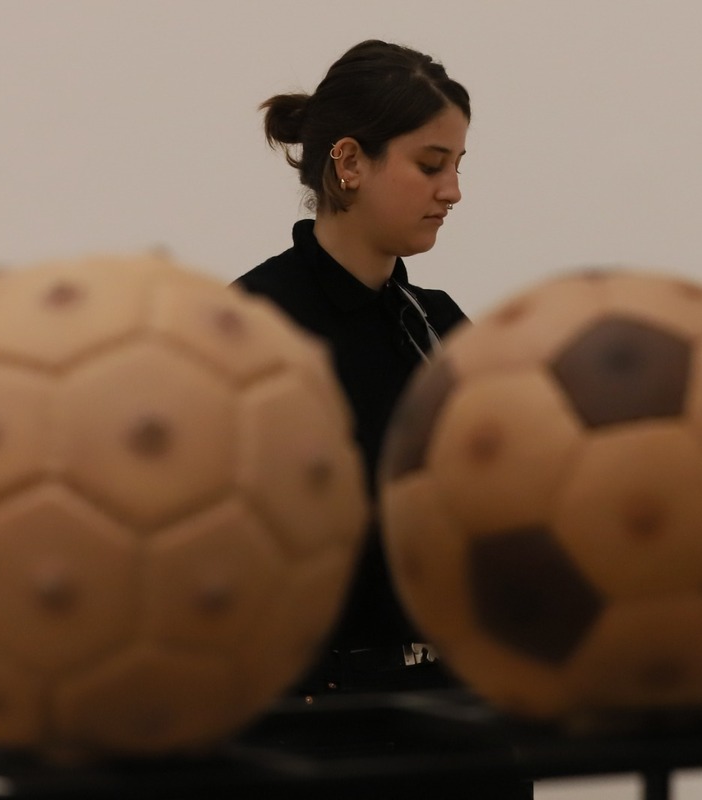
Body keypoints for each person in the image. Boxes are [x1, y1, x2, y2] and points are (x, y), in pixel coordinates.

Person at [234, 39, 472, 697]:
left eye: (458, 166)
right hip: (309, 725)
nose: (453, 191)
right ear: (349, 163)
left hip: (459, 715)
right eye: (430, 165)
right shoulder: (249, 328)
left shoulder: (441, 327)